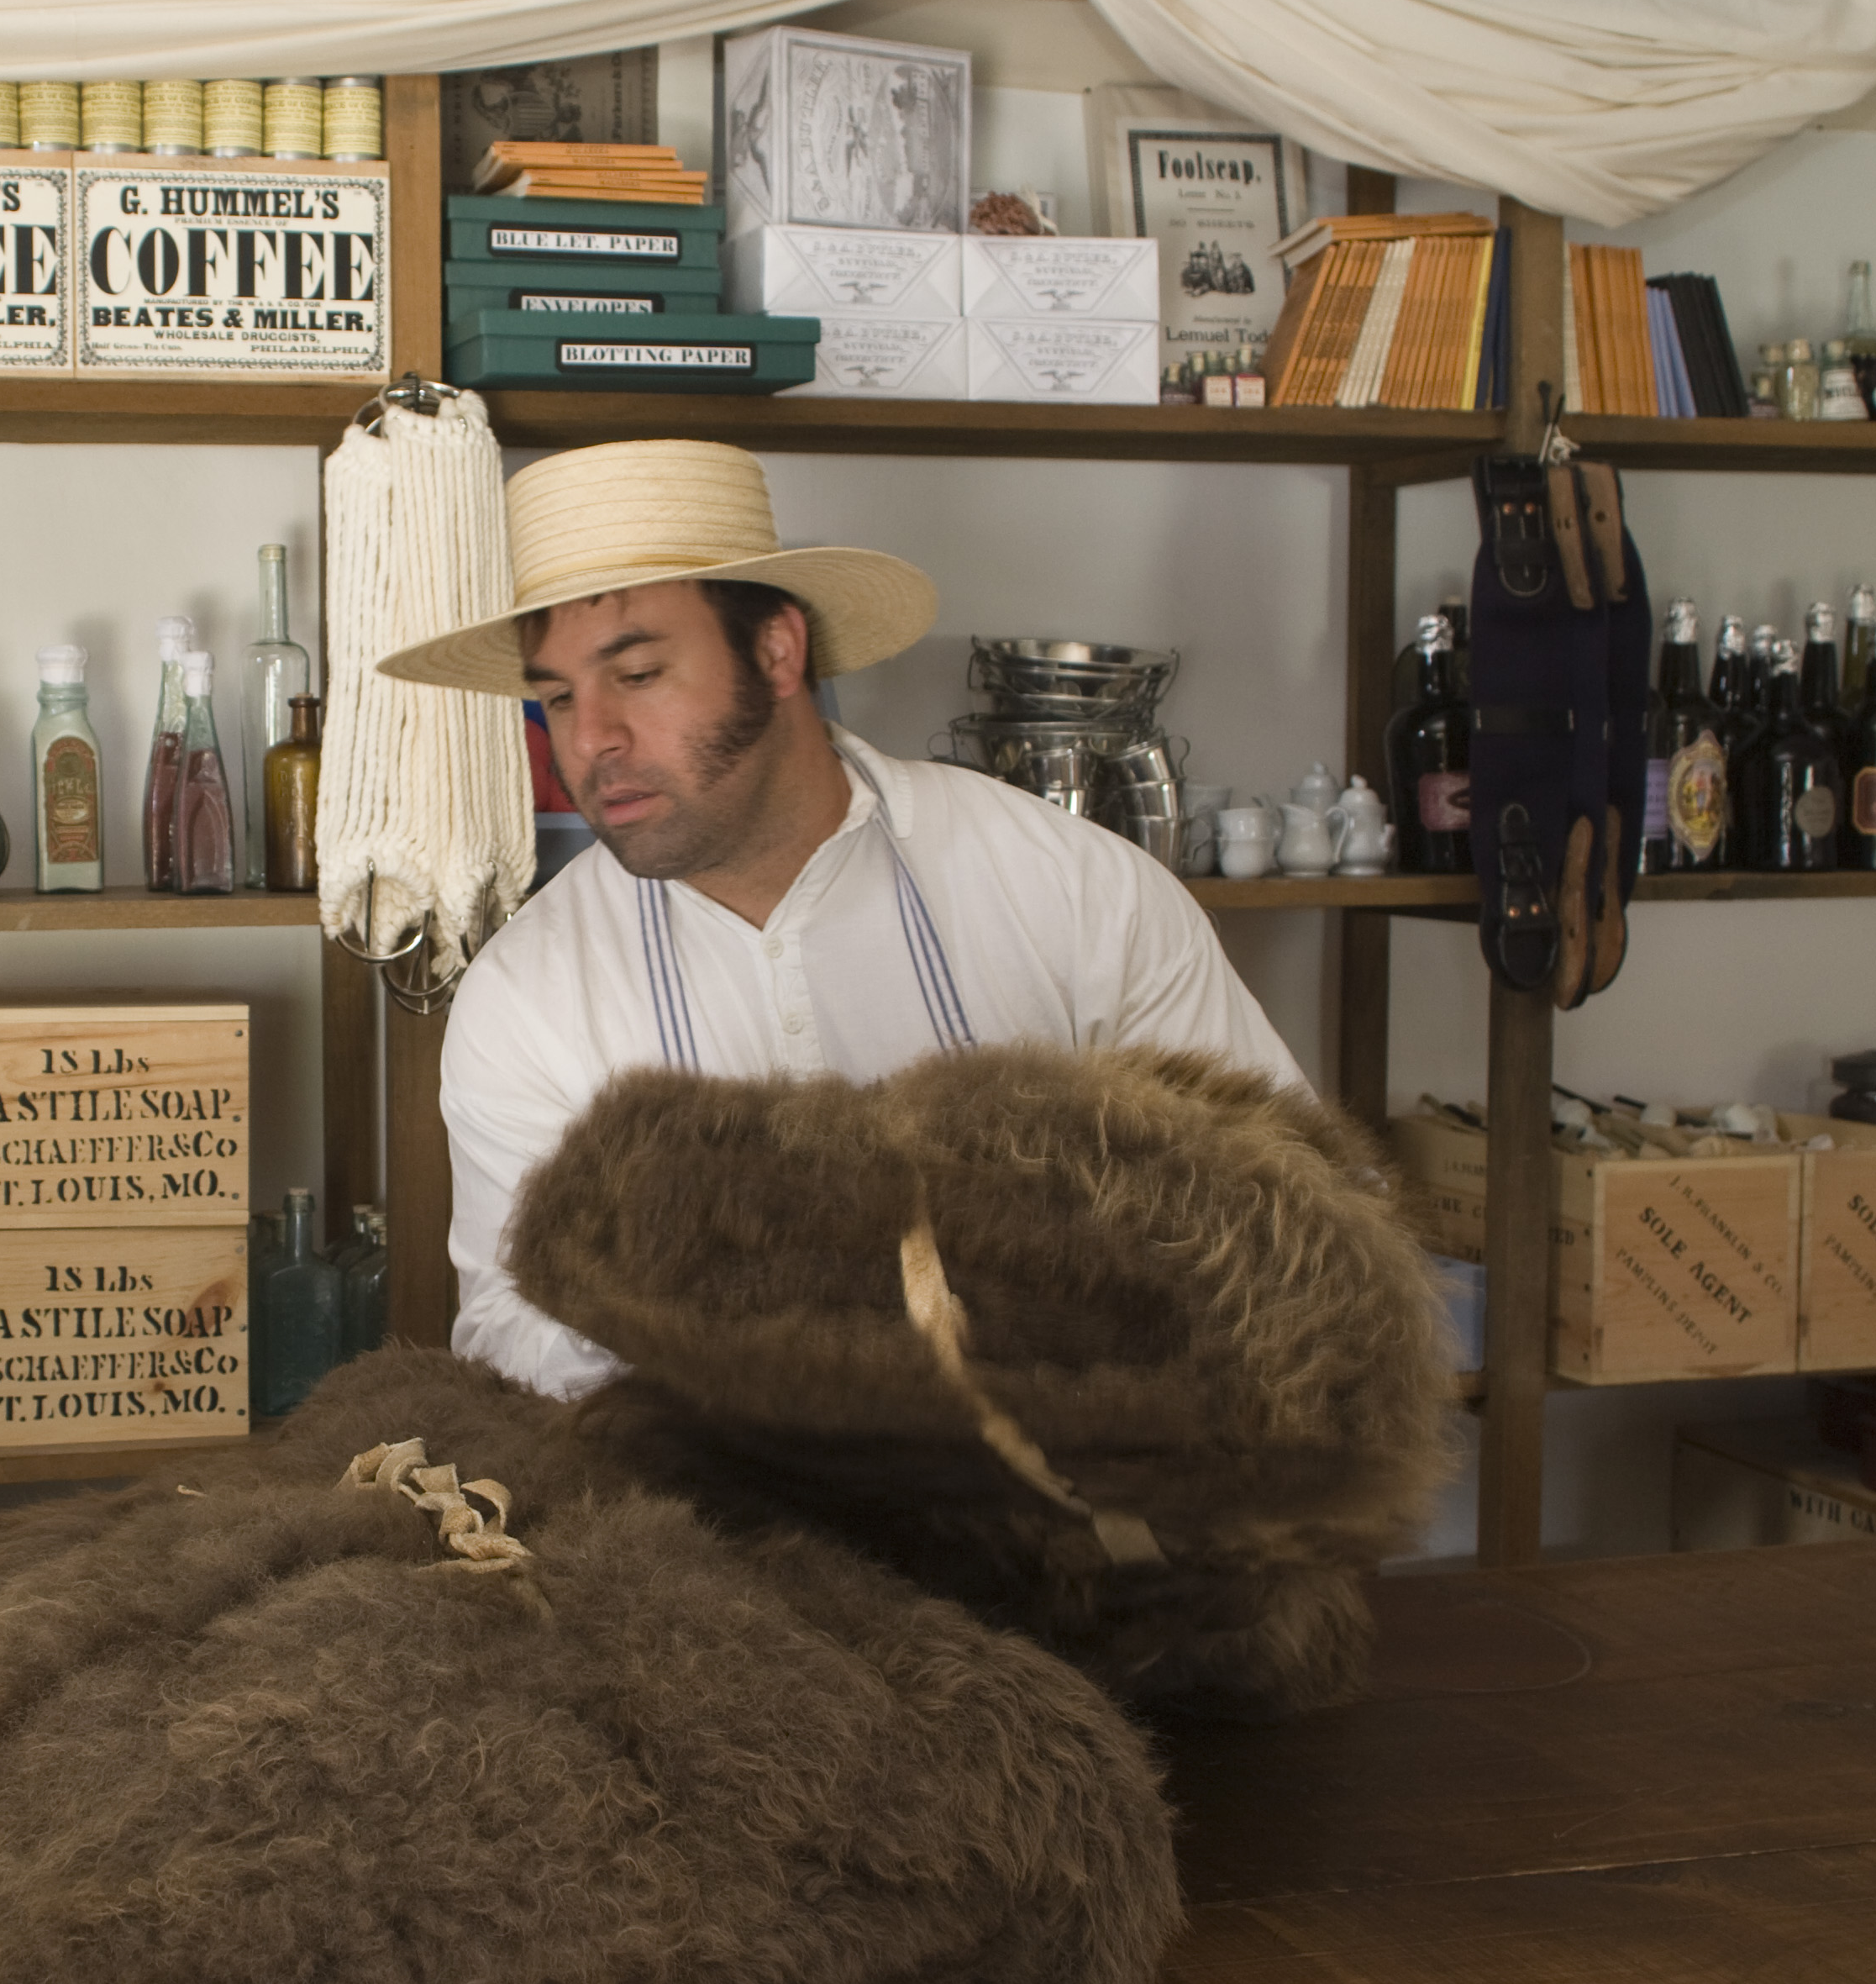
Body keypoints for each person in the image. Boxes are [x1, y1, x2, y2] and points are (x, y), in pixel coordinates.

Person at [377, 437, 1305, 1396]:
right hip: (705, 1530)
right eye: (558, 696)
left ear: (778, 651)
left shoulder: (1076, 894)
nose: (591, 739)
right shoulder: (525, 998)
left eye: (640, 674)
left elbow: (1292, 1210)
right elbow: (511, 1330)